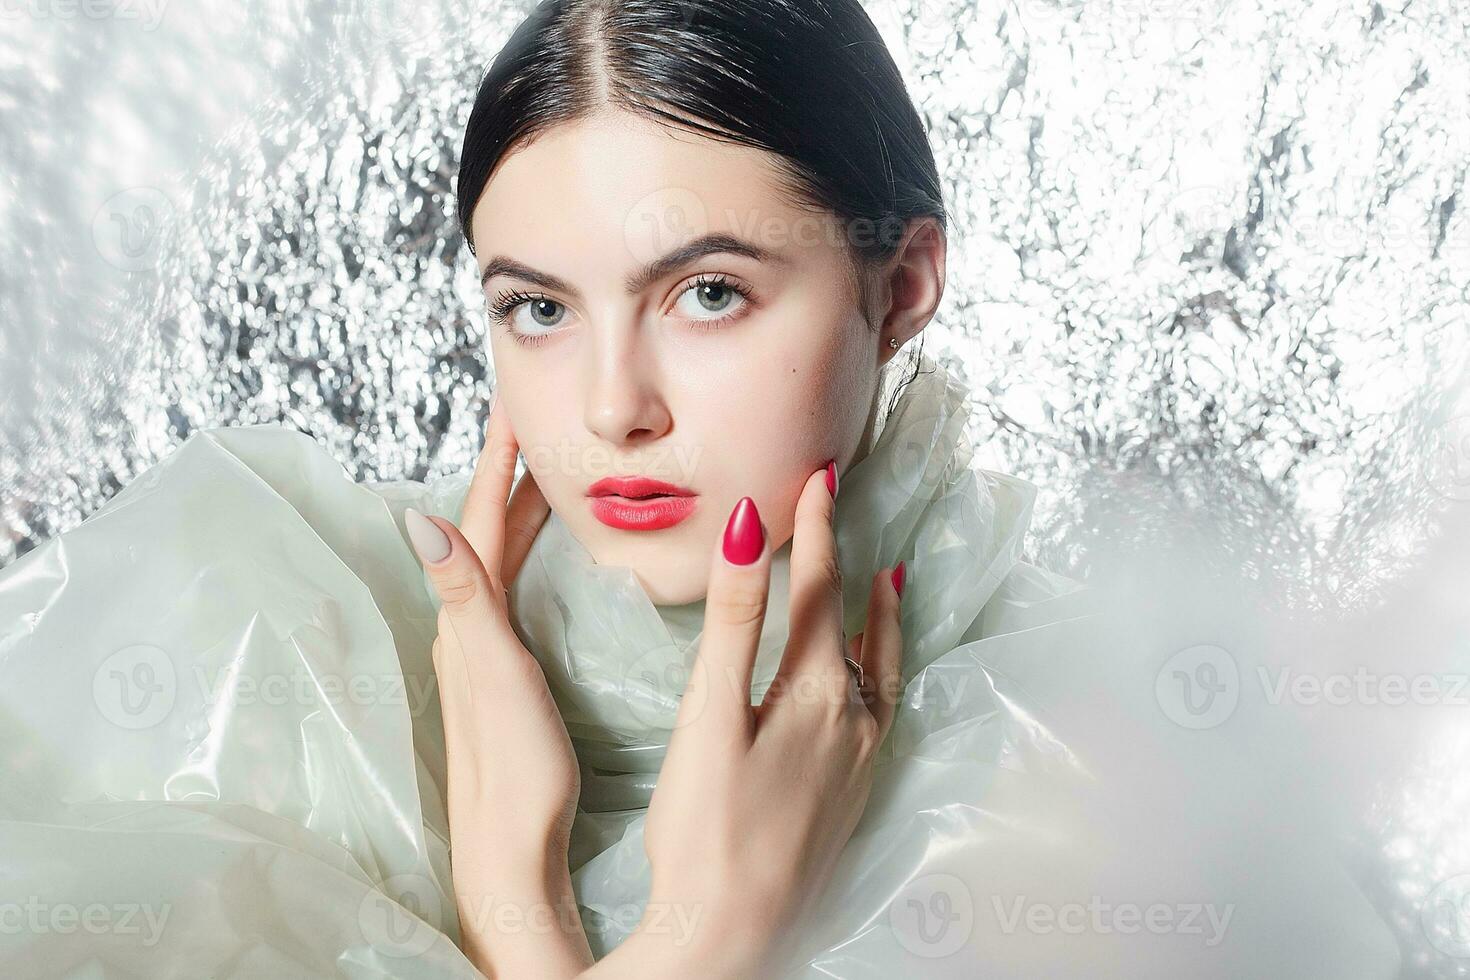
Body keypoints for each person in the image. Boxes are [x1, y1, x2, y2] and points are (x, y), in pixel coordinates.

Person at [0, 1, 1404, 977]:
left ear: (897, 286)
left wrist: (610, 937)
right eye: (537, 310)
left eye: (708, 292)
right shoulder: (273, 636)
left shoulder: (1090, 782)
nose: (612, 407)